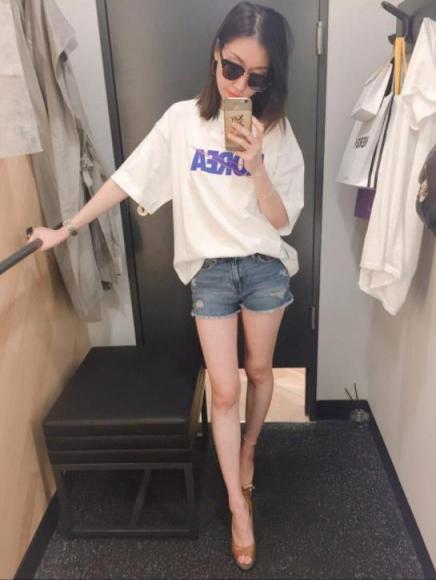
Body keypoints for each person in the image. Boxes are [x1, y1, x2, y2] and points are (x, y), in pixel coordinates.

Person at [29, 1, 304, 571]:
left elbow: (282, 222)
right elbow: (127, 180)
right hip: (211, 272)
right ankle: (238, 506)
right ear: (215, 54)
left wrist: (257, 165)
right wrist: (66, 229)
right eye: (233, 68)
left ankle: (250, 451)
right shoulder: (182, 121)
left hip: (263, 265)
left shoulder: (276, 131)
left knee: (259, 373)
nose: (241, 86)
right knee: (223, 391)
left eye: (257, 78)